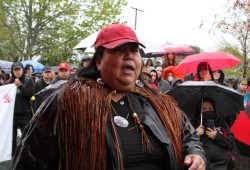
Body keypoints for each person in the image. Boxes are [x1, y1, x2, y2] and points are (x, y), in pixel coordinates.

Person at [12, 23, 208, 170]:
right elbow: (29, 159)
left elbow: (188, 135)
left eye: (134, 50)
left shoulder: (158, 102)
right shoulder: (67, 99)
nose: (129, 56)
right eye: (119, 50)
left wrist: (195, 153)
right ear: (99, 60)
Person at [191, 98, 235, 170]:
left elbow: (231, 144)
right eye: (204, 109)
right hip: (201, 164)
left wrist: (217, 136)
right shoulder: (193, 125)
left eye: (210, 109)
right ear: (199, 111)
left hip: (221, 164)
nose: (207, 111)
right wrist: (195, 134)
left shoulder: (222, 124)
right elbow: (185, 145)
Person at [6, 62, 34, 156]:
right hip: (12, 115)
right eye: (15, 70)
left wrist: (21, 86)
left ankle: (27, 156)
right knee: (12, 139)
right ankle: (13, 157)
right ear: (12, 71)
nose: (17, 72)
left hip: (25, 114)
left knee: (27, 138)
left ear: (22, 70)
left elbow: (30, 94)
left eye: (19, 69)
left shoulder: (28, 80)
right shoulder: (9, 82)